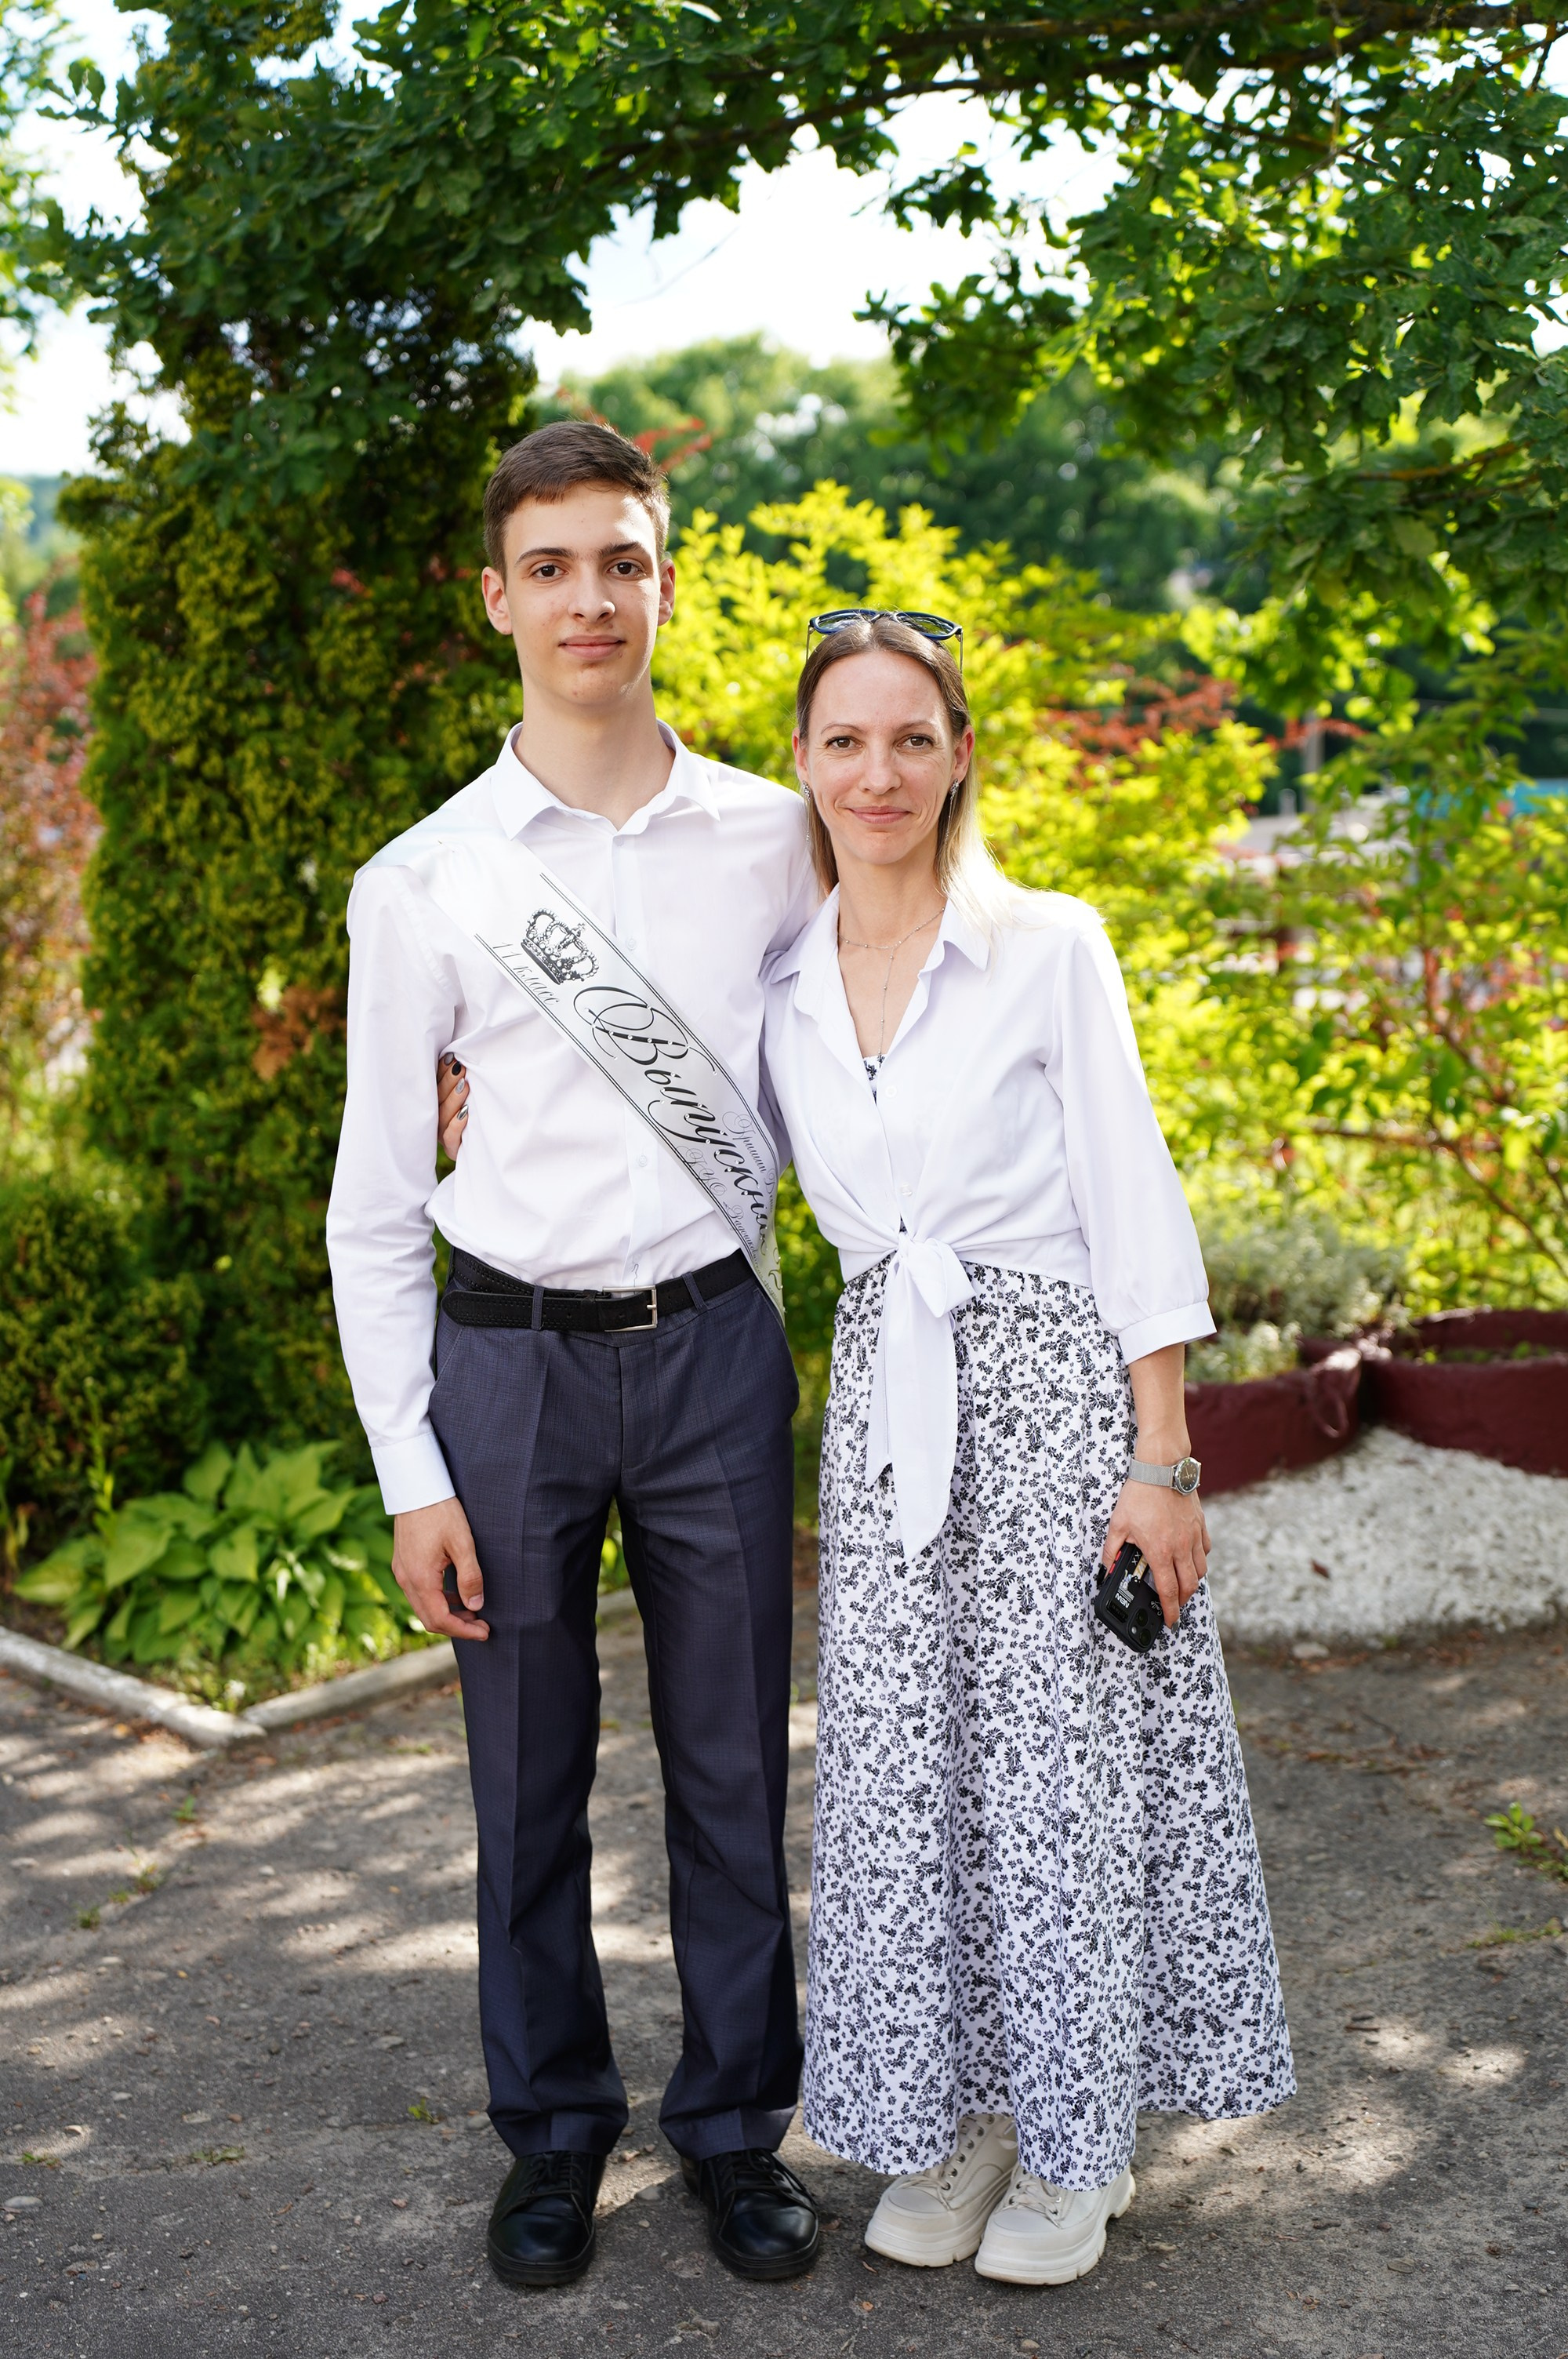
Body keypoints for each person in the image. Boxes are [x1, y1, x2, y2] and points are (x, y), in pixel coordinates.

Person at [326, 420, 825, 2290]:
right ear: (498, 600)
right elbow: (376, 1200)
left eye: (621, 560)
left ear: (666, 584)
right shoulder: (426, 881)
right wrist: (409, 1465)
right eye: (551, 566)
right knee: (522, 1781)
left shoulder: (773, 841)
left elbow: (857, 1047)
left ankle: (734, 2130)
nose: (588, 597)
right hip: (508, 1371)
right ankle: (549, 2132)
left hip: (710, 1352)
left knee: (729, 1773)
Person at [758, 612, 1295, 2284]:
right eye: (844, 740)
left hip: (1061, 1397)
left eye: (911, 737)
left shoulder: (1047, 943)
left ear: (960, 753)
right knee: (916, 1782)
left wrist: (1166, 1459)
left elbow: (1136, 1197)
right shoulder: (772, 981)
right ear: (802, 762)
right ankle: (960, 2116)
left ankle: (1077, 2143)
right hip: (888, 1413)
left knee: (1063, 1778)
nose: (877, 772)